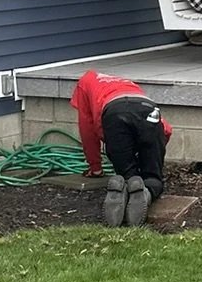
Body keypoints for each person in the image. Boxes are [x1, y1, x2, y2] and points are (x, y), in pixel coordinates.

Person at [70, 69, 172, 227]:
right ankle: (146, 193)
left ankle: (124, 186)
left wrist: (95, 167)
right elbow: (166, 130)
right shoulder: (128, 84)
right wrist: (153, 154)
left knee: (128, 175)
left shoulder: (85, 82)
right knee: (153, 178)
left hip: (114, 112)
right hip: (148, 108)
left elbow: (87, 129)